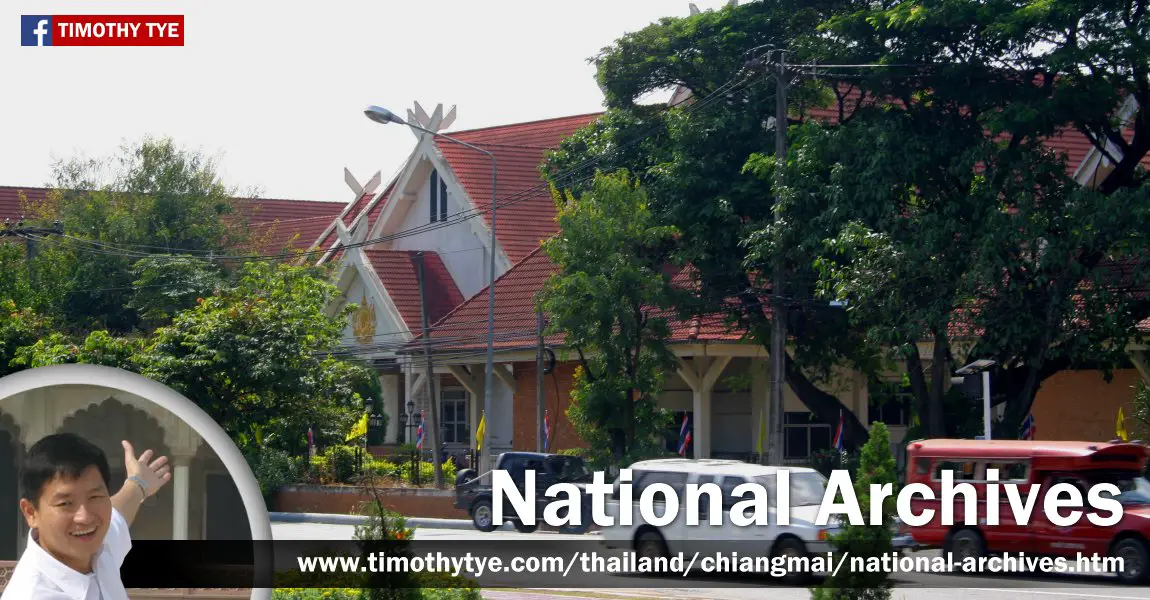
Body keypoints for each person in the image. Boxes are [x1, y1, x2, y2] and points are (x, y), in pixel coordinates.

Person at [1, 433, 172, 600]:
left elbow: (118, 513)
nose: (85, 517)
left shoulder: (99, 550)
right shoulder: (32, 594)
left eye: (95, 497)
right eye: (65, 504)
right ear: (31, 512)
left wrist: (138, 483)